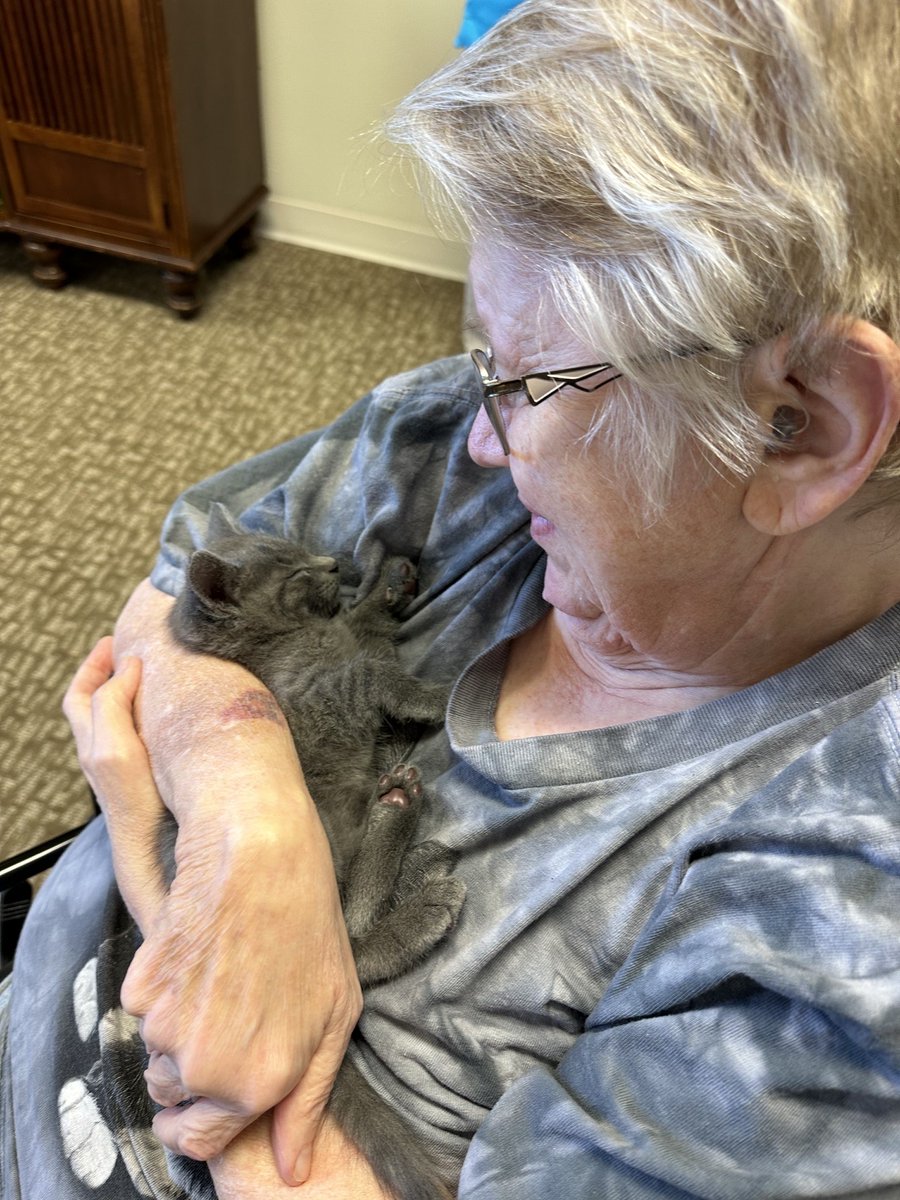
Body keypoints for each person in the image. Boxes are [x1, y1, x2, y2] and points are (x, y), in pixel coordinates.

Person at [4, 0, 900, 1195]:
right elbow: (171, 597)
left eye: (522, 374)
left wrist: (154, 800)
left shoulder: (848, 908)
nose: (478, 433)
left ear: (802, 424)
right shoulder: (456, 439)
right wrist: (244, 823)